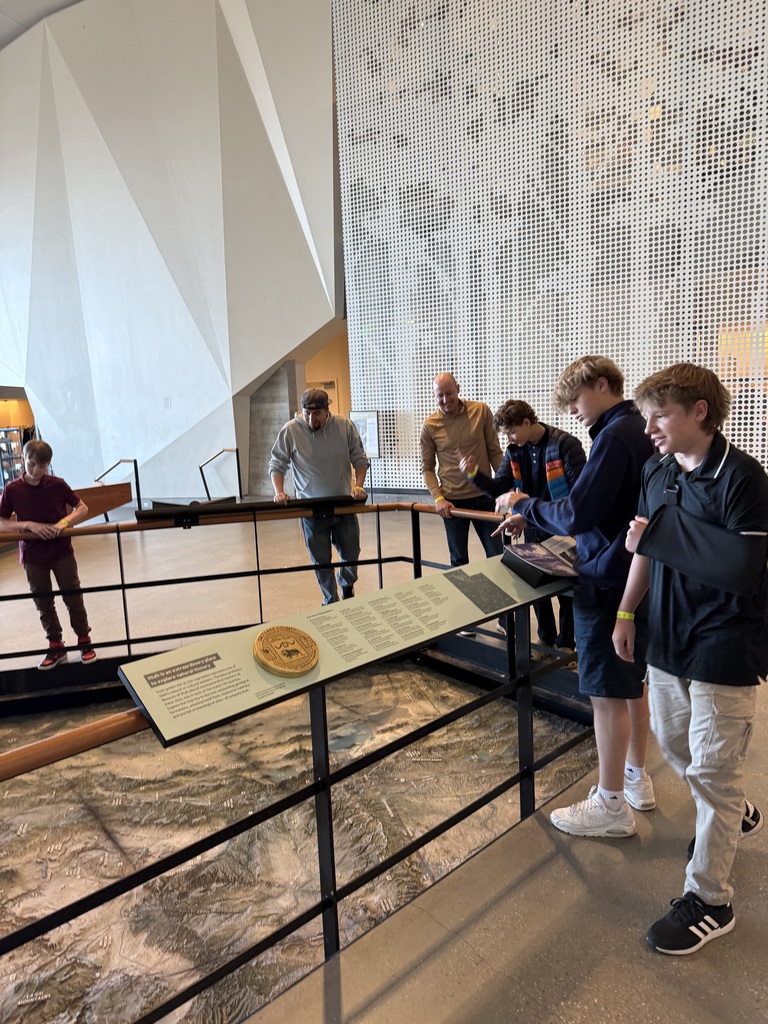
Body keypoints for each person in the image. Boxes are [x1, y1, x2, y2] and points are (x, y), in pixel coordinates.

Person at [612, 363, 768, 955]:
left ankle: (710, 901)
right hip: (668, 636)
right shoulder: (656, 471)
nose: (648, 428)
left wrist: (655, 538)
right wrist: (626, 612)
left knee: (714, 775)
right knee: (678, 751)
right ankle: (731, 810)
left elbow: (740, 569)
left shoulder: (744, 479)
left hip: (726, 642)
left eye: (660, 416)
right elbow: (644, 550)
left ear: (700, 412)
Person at [493, 356, 655, 835]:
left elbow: (578, 513)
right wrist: (533, 513)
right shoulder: (636, 429)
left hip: (605, 580)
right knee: (632, 683)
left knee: (606, 694)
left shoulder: (615, 435)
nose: (571, 411)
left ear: (603, 385)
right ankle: (635, 776)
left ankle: (610, 804)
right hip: (631, 575)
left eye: (575, 399)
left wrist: (524, 504)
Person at [460, 399, 586, 650]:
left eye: (511, 432)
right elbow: (499, 486)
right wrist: (473, 474)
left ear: (527, 422)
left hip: (563, 528)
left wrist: (528, 513)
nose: (508, 438)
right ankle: (545, 640)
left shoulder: (565, 444)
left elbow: (579, 496)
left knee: (566, 591)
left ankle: (566, 644)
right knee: (535, 586)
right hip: (532, 526)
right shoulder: (514, 451)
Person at [0, 439, 96, 669]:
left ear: (48, 464)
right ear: (23, 459)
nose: (35, 471)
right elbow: (2, 522)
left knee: (73, 595)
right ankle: (55, 644)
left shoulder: (57, 484)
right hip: (32, 554)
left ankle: (84, 640)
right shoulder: (12, 490)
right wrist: (29, 525)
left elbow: (82, 507)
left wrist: (64, 522)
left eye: (41, 466)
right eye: (31, 464)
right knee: (43, 601)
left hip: (61, 550)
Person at [269, 388, 369, 605]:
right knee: (321, 562)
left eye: (317, 414)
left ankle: (347, 585)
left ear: (327, 411)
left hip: (343, 505)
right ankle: (330, 601)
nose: (311, 419)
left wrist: (358, 486)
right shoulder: (290, 430)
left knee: (351, 553)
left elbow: (360, 459)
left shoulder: (344, 426)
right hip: (311, 509)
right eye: (307, 414)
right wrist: (279, 492)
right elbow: (277, 464)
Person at [420, 372, 504, 567]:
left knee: (497, 555)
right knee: (458, 561)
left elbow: (495, 452)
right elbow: (427, 468)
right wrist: (438, 498)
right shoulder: (429, 426)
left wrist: (504, 486)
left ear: (458, 388)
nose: (445, 400)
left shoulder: (481, 411)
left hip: (484, 496)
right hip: (452, 503)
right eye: (440, 395)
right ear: (433, 395)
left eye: (449, 393)